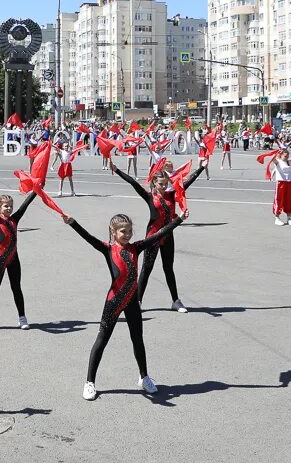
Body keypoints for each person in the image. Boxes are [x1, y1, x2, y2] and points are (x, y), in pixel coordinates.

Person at [61, 209, 186, 401]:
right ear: (113, 232)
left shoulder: (136, 248)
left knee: (138, 340)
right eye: (123, 232)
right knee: (102, 340)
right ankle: (89, 382)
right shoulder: (108, 249)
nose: (127, 235)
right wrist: (73, 223)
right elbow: (88, 237)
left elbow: (159, 234)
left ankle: (144, 377)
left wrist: (178, 219)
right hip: (114, 301)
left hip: (132, 302)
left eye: (129, 231)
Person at [110, 157, 206, 312]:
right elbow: (133, 183)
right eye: (161, 184)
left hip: (168, 236)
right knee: (146, 269)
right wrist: (117, 170)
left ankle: (175, 301)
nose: (164, 186)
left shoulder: (171, 195)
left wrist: (201, 167)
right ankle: (138, 301)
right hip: (152, 238)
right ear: (154, 183)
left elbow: (186, 184)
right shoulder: (149, 197)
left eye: (166, 184)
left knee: (169, 268)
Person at [0, 177, 37, 333]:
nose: (9, 209)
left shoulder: (14, 219)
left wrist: (37, 189)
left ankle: (22, 317)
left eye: (11, 206)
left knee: (16, 288)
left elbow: (25, 205)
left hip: (13, 260)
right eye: (6, 206)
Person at [271, 149, 291, 226]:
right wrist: (277, 153)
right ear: (281, 155)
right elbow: (272, 159)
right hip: (281, 182)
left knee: (289, 200)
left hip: (289, 182)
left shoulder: (288, 161)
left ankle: (289, 218)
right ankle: (277, 218)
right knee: (279, 199)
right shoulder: (278, 162)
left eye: (287, 155)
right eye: (285, 156)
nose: (287, 157)